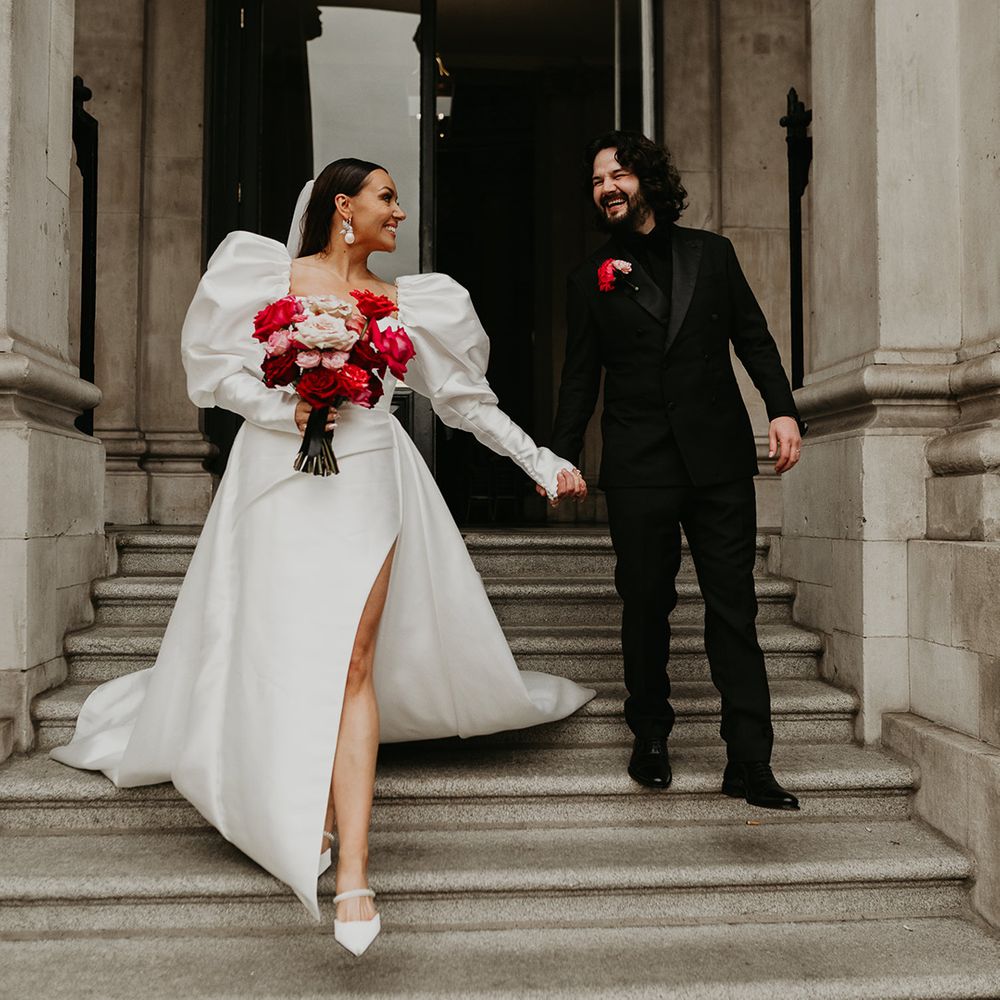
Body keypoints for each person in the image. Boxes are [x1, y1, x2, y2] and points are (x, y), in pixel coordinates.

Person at [51, 158, 594, 957]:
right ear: (344, 206)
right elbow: (213, 378)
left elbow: (465, 402)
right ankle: (288, 806)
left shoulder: (414, 303)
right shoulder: (266, 274)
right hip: (278, 473)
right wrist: (288, 404)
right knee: (284, 648)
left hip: (370, 473)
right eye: (387, 197)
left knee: (354, 661)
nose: (399, 212)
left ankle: (355, 870)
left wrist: (539, 461)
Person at [547, 130, 804, 811]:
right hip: (639, 465)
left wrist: (782, 410)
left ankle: (750, 760)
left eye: (618, 173)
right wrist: (559, 453)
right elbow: (579, 380)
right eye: (597, 178)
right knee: (646, 605)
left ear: (649, 180)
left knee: (734, 608)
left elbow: (752, 335)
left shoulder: (712, 255)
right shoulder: (589, 279)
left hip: (718, 461)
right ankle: (651, 734)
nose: (606, 186)